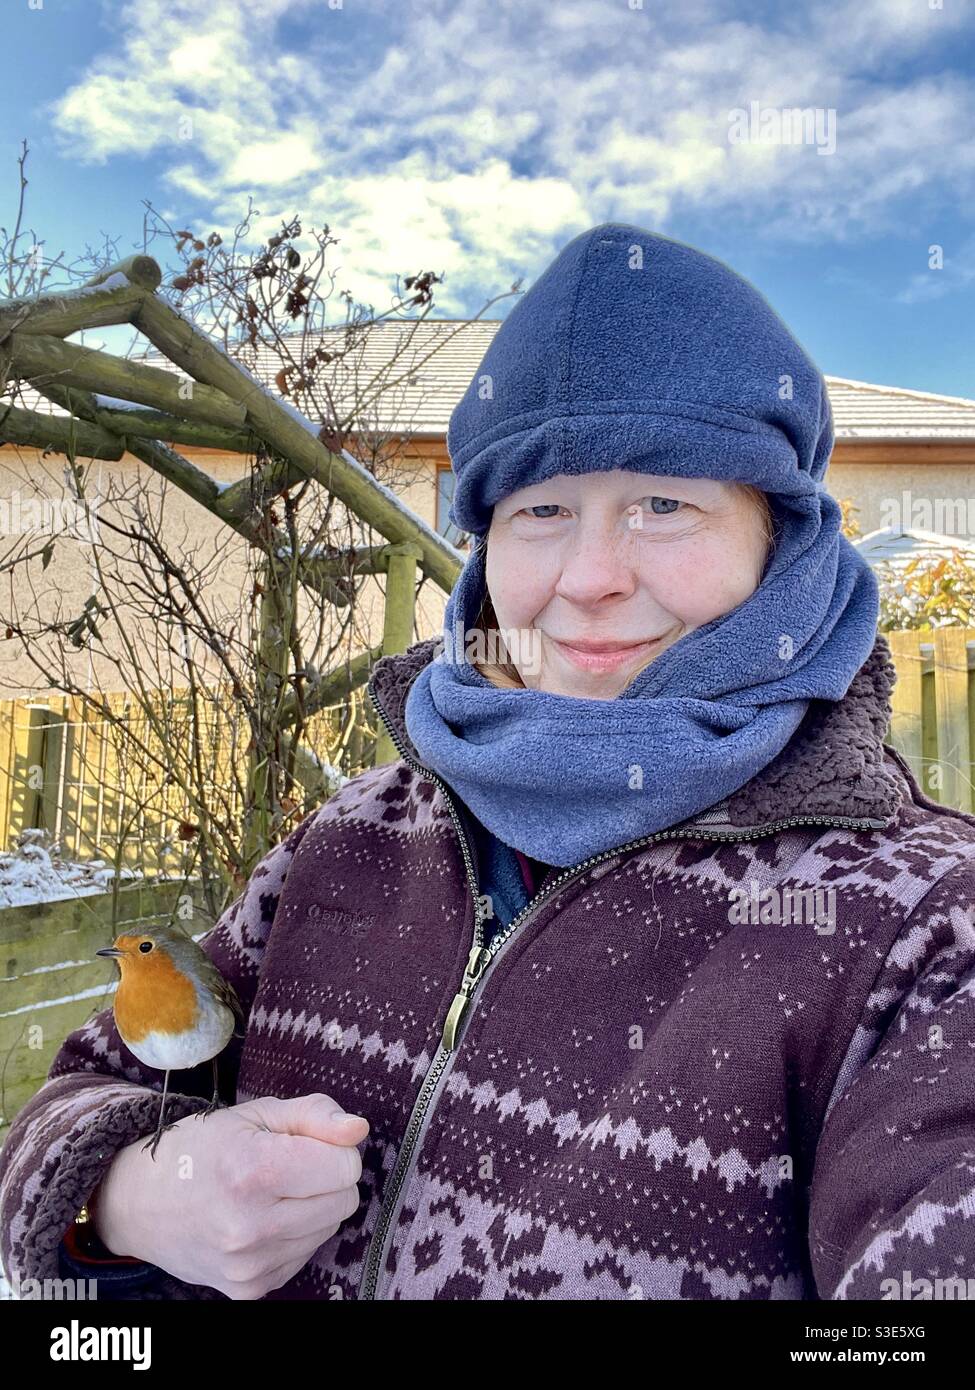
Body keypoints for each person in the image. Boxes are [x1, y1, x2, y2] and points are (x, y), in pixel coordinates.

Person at [2, 222, 974, 1301]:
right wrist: (139, 1191)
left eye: (664, 503)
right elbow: (63, 1111)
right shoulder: (352, 834)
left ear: (781, 544)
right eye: (542, 509)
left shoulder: (925, 928)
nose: (591, 575)